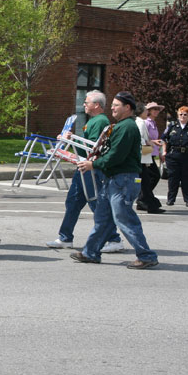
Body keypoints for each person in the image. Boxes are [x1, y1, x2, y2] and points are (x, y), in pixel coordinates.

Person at [71, 92, 159, 269]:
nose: (112, 108)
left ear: (128, 108)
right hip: (114, 179)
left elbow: (116, 156)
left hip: (124, 180)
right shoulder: (122, 126)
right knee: (103, 218)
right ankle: (91, 252)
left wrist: (93, 164)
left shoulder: (127, 127)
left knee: (124, 218)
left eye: (116, 105)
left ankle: (146, 255)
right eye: (112, 105)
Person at [46, 90, 123, 253]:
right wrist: (71, 139)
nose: (84, 105)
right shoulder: (96, 121)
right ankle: (65, 237)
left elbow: (93, 147)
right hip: (83, 168)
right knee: (73, 202)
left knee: (96, 203)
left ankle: (114, 239)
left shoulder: (99, 121)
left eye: (86, 102)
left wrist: (70, 139)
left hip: (90, 169)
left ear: (96, 105)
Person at [161, 106, 188, 207]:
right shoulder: (172, 125)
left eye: (185, 114)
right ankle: (171, 199)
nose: (183, 116)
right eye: (181, 114)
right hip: (173, 156)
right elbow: (164, 138)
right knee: (173, 178)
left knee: (187, 179)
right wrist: (164, 151)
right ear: (178, 115)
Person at [136, 102, 165, 213]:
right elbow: (141, 140)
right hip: (145, 152)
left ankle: (145, 200)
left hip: (148, 152)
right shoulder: (143, 123)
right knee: (148, 178)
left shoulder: (152, 123)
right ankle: (146, 201)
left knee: (147, 179)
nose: (148, 112)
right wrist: (150, 145)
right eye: (148, 110)